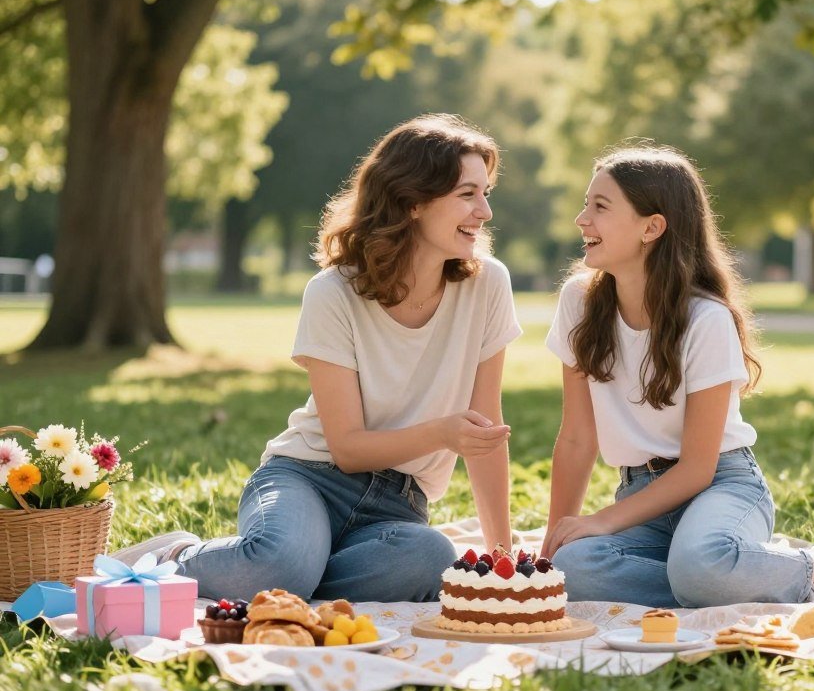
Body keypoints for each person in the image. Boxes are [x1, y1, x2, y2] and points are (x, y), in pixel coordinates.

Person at [114, 114, 520, 602]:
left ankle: (294, 571)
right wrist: (442, 432)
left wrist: (502, 553)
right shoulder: (334, 292)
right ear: (413, 201)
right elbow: (347, 448)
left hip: (399, 503)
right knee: (279, 562)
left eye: (487, 192)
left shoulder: (488, 285)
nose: (485, 211)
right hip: (308, 477)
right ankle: (175, 557)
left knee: (431, 560)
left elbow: (486, 429)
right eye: (467, 194)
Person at [541, 144, 814, 608]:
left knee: (700, 567)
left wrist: (604, 521)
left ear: (652, 227)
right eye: (586, 204)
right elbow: (576, 439)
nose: (581, 219)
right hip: (639, 491)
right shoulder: (579, 302)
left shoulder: (705, 319)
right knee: (573, 570)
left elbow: (696, 468)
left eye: (600, 206)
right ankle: (728, 572)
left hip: (722, 484)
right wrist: (555, 543)